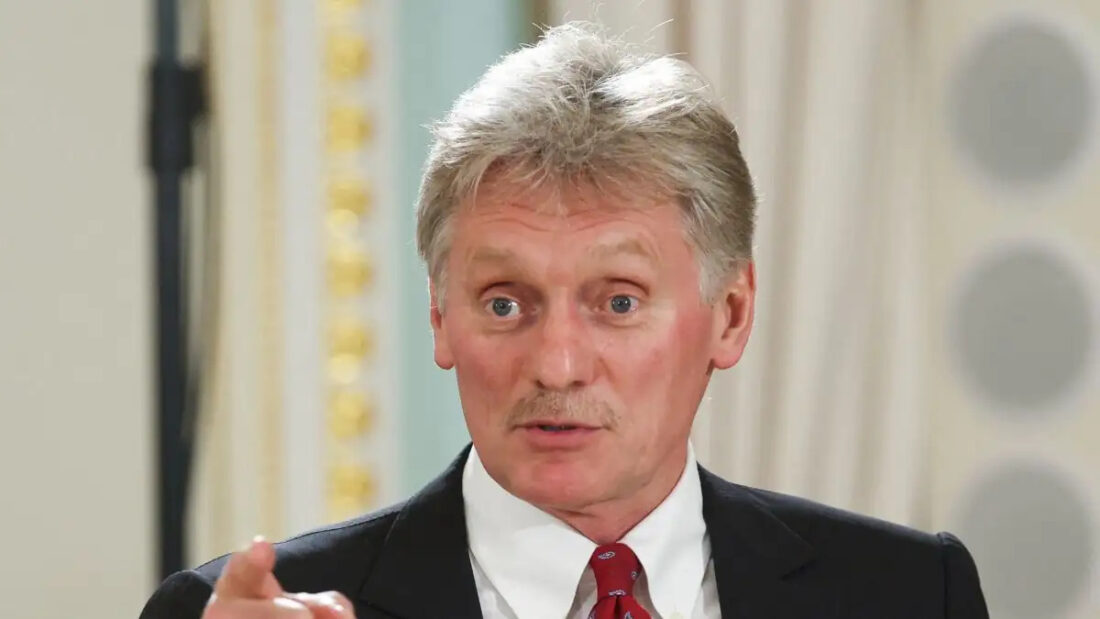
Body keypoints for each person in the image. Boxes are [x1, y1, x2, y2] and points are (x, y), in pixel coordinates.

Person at [141, 22, 988, 619]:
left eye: (618, 301)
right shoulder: (246, 610)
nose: (556, 363)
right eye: (504, 303)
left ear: (730, 315)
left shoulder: (911, 593)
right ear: (440, 314)